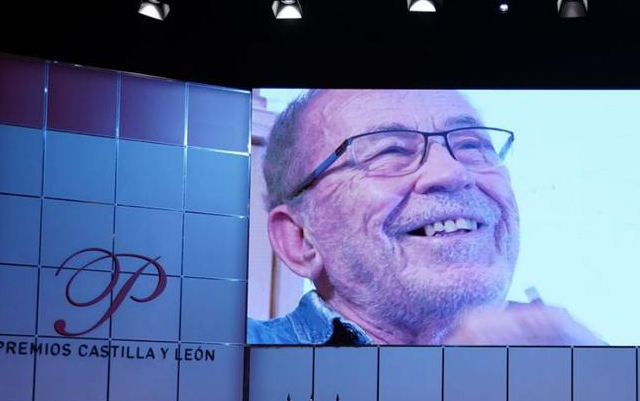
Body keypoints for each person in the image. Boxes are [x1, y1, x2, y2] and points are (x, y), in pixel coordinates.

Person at [248, 88, 602, 346]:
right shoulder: (222, 366)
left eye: (472, 145)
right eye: (390, 151)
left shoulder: (582, 373)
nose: (452, 172)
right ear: (300, 238)